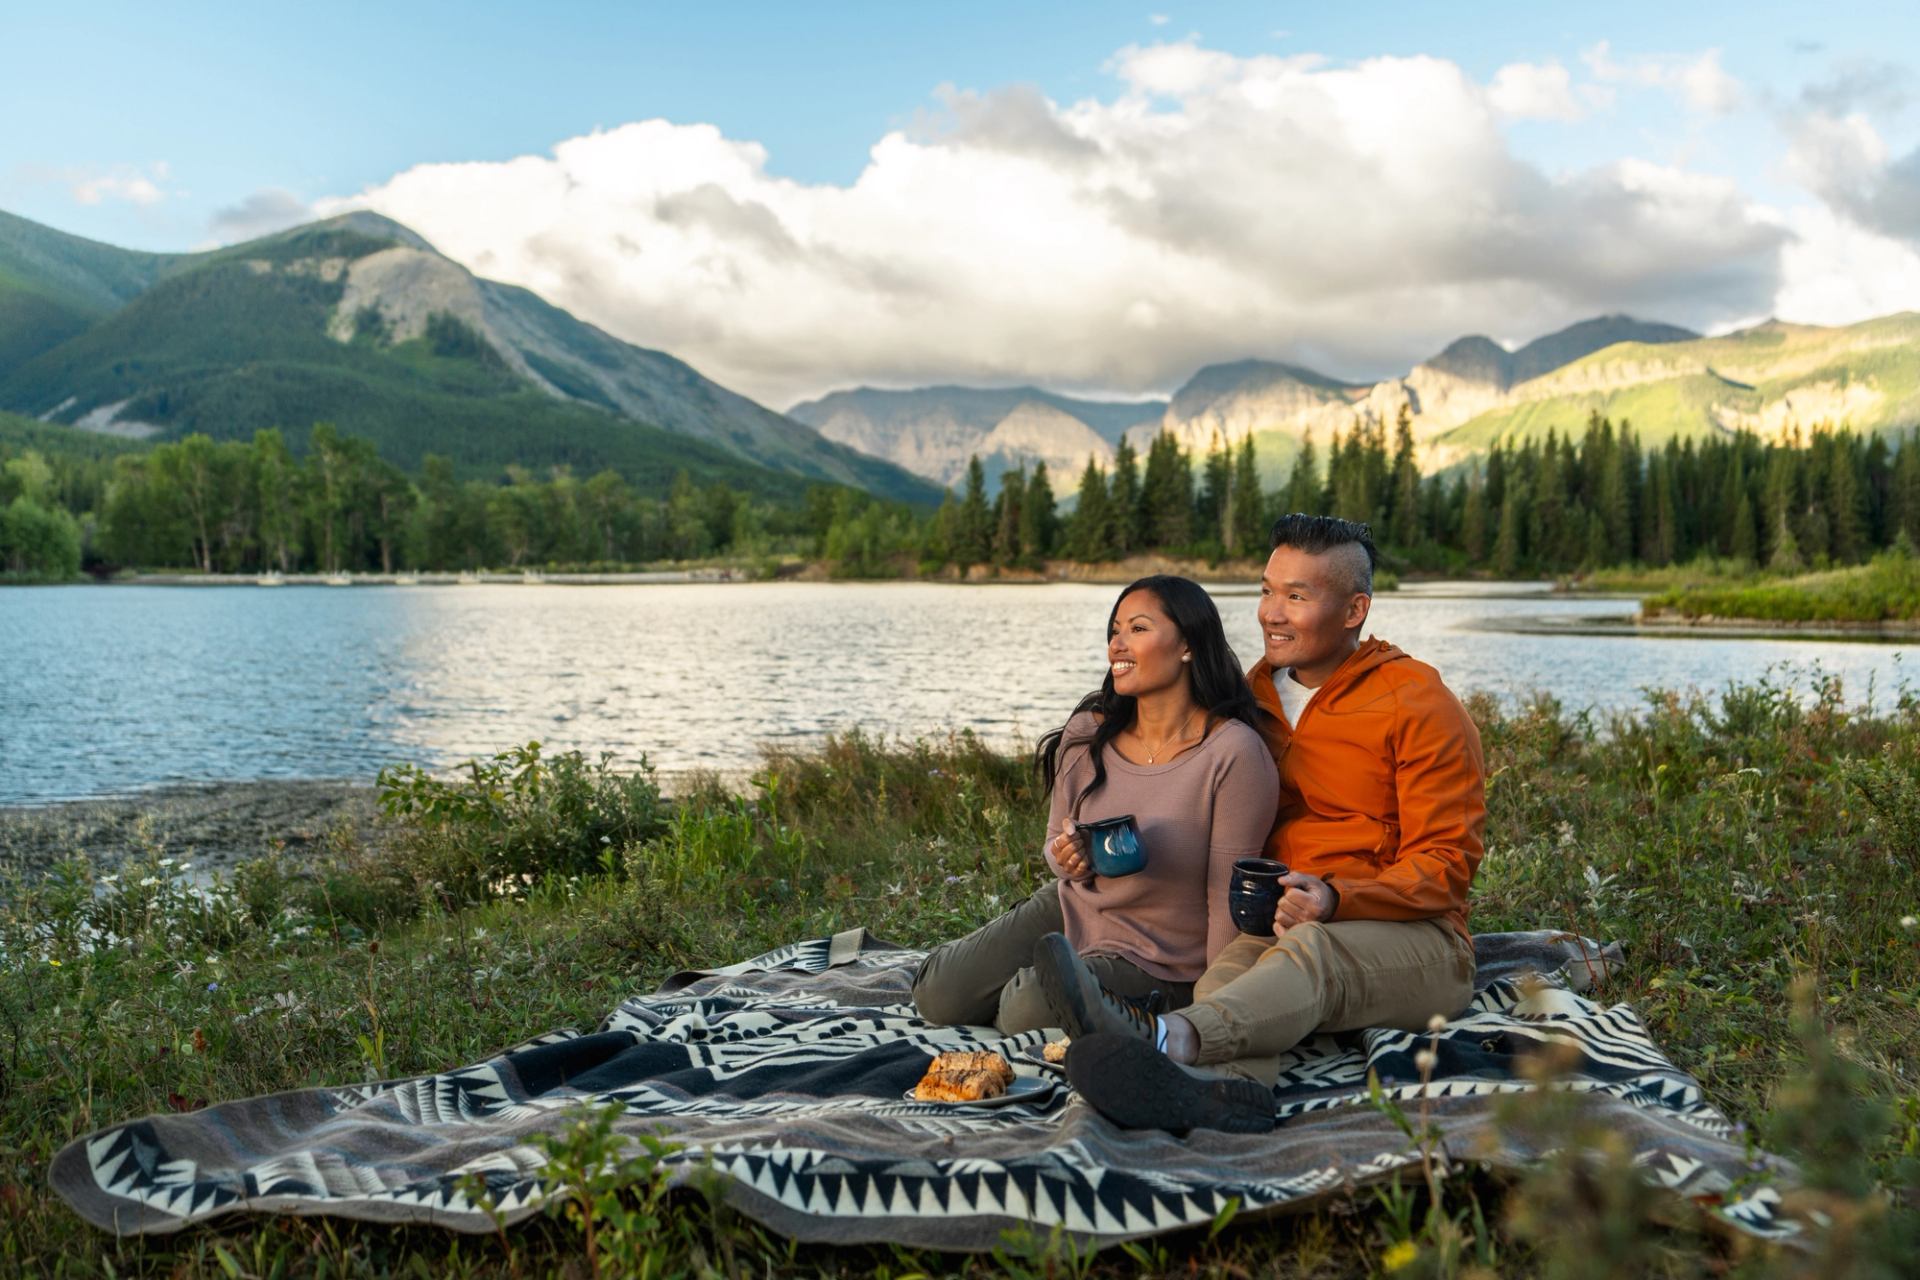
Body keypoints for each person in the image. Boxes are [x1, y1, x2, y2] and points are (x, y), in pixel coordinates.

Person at [1032, 515, 1486, 1133]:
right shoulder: (1252, 700)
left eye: (1296, 596)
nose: (1272, 612)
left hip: (1417, 939)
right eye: (1267, 590)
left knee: (1308, 952)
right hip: (1277, 924)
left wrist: (1336, 897)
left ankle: (1163, 1039)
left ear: (1355, 609)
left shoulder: (1419, 702)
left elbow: (1447, 868)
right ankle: (1223, 1099)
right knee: (1226, 980)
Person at [912, 575, 1280, 1034]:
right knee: (937, 994)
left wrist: (1212, 1008)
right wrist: (1069, 859)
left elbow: (1226, 899)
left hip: (1163, 957)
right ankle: (1064, 994)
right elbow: (1053, 846)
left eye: (1138, 629)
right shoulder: (1089, 731)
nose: (1117, 646)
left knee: (1025, 1010)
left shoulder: (1233, 753)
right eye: (1115, 630)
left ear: (1188, 644)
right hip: (1073, 909)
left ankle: (1113, 1004)